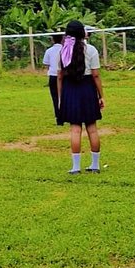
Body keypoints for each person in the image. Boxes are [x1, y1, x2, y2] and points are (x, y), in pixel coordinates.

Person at [57, 20, 104, 174]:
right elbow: (96, 75)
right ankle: (95, 165)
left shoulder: (63, 51)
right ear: (82, 32)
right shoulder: (91, 50)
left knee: (75, 129)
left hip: (70, 89)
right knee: (92, 128)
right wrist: (101, 96)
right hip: (88, 88)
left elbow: (60, 76)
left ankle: (76, 167)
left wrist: (60, 97)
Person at [42, 34, 64, 125]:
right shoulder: (65, 50)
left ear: (53, 40)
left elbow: (46, 63)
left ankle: (59, 118)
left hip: (53, 76)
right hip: (64, 76)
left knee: (55, 97)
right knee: (65, 96)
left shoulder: (49, 51)